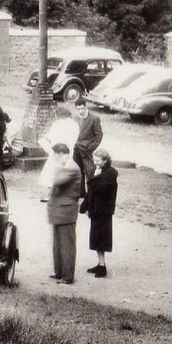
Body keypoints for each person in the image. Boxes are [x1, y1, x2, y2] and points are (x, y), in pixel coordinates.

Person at [43, 141, 85, 284]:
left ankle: (67, 276)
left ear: (63, 154)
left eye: (55, 155)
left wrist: (55, 168)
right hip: (60, 211)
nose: (54, 158)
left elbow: (56, 181)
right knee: (58, 244)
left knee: (66, 244)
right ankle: (59, 272)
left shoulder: (71, 168)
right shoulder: (65, 167)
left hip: (66, 211)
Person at [82, 150, 118, 278]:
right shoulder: (96, 170)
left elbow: (100, 189)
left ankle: (102, 266)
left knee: (102, 238)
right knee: (96, 237)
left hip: (104, 211)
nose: (95, 162)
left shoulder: (112, 173)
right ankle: (100, 263)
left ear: (105, 160)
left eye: (98, 161)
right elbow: (90, 191)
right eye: (94, 160)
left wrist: (95, 177)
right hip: (95, 209)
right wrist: (85, 207)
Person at [71, 96, 105, 189]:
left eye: (82, 108)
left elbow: (99, 135)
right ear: (76, 109)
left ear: (86, 107)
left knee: (90, 172)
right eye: (78, 109)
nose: (80, 111)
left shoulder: (94, 119)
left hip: (87, 150)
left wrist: (92, 146)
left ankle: (92, 193)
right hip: (76, 149)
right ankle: (81, 192)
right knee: (78, 171)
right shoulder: (74, 119)